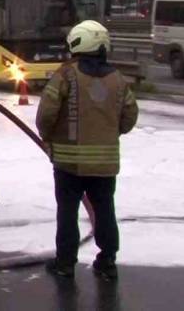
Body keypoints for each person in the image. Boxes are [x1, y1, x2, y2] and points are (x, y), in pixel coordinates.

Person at [36, 20, 138, 280]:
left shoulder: (66, 75)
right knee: (105, 210)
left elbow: (46, 113)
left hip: (69, 163)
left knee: (68, 212)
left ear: (76, 43)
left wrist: (48, 137)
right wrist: (110, 133)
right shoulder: (118, 78)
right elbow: (130, 115)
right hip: (105, 162)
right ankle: (107, 262)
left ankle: (65, 263)